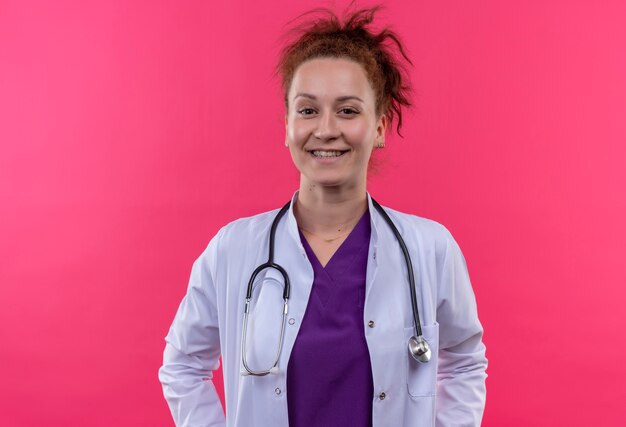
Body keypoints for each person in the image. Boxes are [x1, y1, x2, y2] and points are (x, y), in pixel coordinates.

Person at [159, 5, 487, 427]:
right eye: (308, 110)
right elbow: (182, 364)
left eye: (348, 110)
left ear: (380, 127)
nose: (326, 129)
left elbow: (464, 361)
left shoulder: (430, 248)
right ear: (287, 124)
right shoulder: (234, 249)